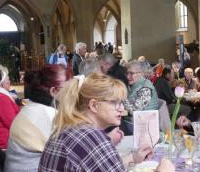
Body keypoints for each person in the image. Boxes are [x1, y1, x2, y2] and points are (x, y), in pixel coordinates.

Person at [38, 72, 172, 171]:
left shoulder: (71, 129)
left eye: (122, 103)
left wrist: (133, 158)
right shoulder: (90, 138)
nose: (121, 108)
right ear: (94, 105)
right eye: (115, 103)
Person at [4, 64, 67, 172]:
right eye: (66, 87)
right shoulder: (48, 115)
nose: (69, 92)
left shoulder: (30, 108)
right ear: (53, 91)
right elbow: (70, 152)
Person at [123, 60, 159, 134]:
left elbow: (135, 110)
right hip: (136, 122)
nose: (128, 76)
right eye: (127, 73)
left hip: (144, 127)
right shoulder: (134, 85)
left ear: (141, 73)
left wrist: (122, 98)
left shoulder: (146, 88)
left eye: (131, 73)